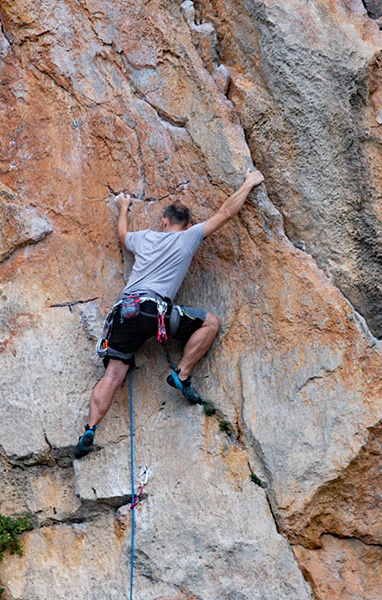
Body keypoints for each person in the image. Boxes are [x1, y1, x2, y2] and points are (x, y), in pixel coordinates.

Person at [74, 169, 265, 458]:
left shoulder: (145, 238)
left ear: (163, 222)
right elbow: (226, 213)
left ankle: (89, 428)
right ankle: (182, 374)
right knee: (210, 322)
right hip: (156, 313)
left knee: (113, 375)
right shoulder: (189, 238)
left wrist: (123, 207)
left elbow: (123, 235)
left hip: (125, 313)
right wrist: (249, 183)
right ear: (188, 224)